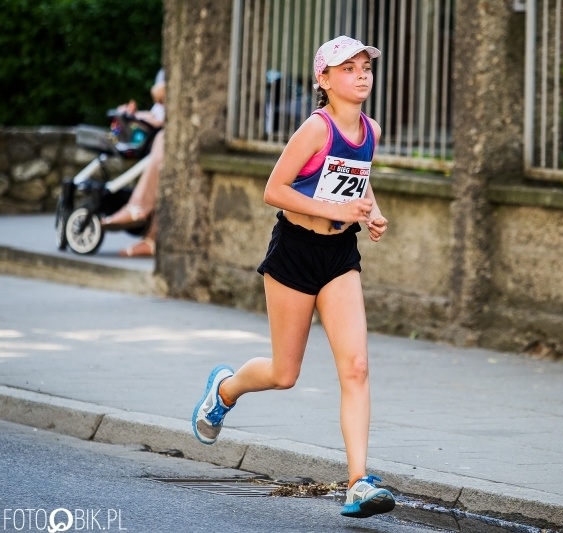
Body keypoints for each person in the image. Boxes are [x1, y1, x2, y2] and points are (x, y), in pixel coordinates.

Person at [191, 36, 394, 518]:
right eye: (349, 68)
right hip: (295, 253)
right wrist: (335, 207)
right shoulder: (314, 129)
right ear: (324, 79)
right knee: (285, 374)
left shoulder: (372, 130)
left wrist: (371, 212)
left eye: (366, 66)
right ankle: (224, 390)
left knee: (357, 366)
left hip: (340, 254)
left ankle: (358, 482)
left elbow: (357, 179)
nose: (362, 74)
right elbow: (274, 190)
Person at [101, 69, 166, 257]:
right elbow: (159, 105)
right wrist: (135, 114)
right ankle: (151, 238)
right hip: (160, 123)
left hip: (167, 130)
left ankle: (138, 209)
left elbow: (160, 93)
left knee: (163, 139)